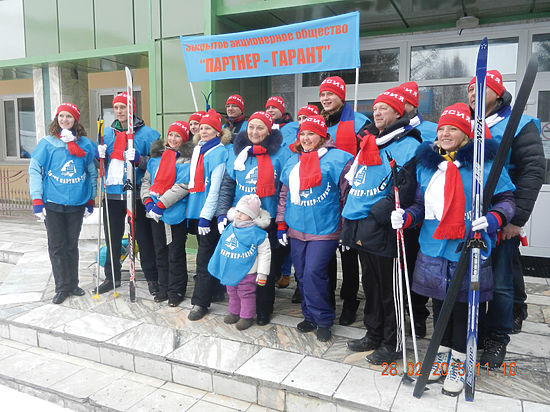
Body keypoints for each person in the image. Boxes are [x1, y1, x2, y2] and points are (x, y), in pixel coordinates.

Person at [392, 102, 516, 396]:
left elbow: (507, 200)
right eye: (442, 128)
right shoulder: (428, 168)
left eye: (453, 129)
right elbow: (422, 206)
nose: (446, 133)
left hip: (467, 248)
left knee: (463, 310)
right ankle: (441, 355)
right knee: (439, 306)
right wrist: (406, 216)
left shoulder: (483, 166)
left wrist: (494, 218)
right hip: (433, 247)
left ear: (465, 134)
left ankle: (459, 363)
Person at [467, 70, 544, 368]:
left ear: (498, 94)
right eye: (470, 89)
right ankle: (473, 330)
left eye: (481, 88)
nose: (473, 93)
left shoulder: (519, 124)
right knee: (473, 280)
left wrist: (517, 219)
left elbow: (532, 173)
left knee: (500, 282)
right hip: (468, 219)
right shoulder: (465, 124)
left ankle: (496, 338)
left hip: (502, 216)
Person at [341, 88, 421, 362]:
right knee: (371, 284)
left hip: (383, 226)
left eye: (384, 108)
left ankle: (393, 342)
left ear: (399, 112)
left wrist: (378, 213)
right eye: (375, 108)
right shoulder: (372, 142)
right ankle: (373, 333)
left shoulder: (408, 144)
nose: (377, 113)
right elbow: (358, 181)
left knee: (390, 290)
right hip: (362, 224)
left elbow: (405, 186)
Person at [277, 115, 353, 342]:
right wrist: (281, 223)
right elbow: (284, 195)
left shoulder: (339, 159)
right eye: (303, 134)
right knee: (300, 274)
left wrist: (346, 227)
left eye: (311, 133)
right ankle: (309, 314)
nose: (306, 138)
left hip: (325, 228)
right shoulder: (293, 161)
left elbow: (347, 195)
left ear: (322, 136)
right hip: (296, 227)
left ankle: (323, 319)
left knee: (313, 273)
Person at [216, 111, 289, 325]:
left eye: (260, 128)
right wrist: (222, 212)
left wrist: (282, 221)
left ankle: (264, 309)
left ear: (269, 130)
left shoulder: (280, 154)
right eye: (251, 127)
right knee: (241, 266)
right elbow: (228, 185)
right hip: (241, 221)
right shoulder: (239, 153)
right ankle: (239, 309)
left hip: (268, 221)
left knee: (264, 268)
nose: (255, 132)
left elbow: (285, 189)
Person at [29, 103, 97, 304]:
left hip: (76, 203)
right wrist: (37, 200)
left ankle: (73, 283)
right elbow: (34, 170)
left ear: (75, 120)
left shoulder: (85, 144)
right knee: (57, 246)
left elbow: (92, 172)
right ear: (56, 119)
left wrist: (91, 199)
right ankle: (61, 287)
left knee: (71, 245)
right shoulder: (47, 143)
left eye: (69, 116)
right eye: (61, 116)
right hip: (53, 203)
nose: (64, 120)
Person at [95, 92, 160, 295]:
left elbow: (158, 164)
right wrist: (99, 158)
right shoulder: (106, 134)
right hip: (112, 194)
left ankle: (152, 278)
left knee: (143, 238)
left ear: (131, 108)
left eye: (124, 107)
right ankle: (111, 277)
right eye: (117, 107)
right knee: (112, 238)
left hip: (137, 193)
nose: (120, 111)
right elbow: (99, 165)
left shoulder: (149, 134)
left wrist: (140, 159)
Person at [318, 76, 370, 326]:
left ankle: (350, 301)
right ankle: (326, 300)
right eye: (323, 95)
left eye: (331, 94)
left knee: (349, 253)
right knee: (325, 252)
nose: (326, 99)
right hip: (321, 199)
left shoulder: (360, 123)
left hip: (350, 198)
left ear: (342, 96)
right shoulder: (318, 124)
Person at [141, 121, 194, 307]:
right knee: (160, 252)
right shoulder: (156, 159)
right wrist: (148, 202)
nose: (173, 139)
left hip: (174, 214)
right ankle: (163, 287)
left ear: (184, 139)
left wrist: (161, 205)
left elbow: (182, 186)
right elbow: (146, 181)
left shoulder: (186, 161)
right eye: (170, 134)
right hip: (155, 214)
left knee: (175, 253)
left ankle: (176, 290)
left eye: (177, 135)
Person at [187, 109, 232, 321]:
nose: (204, 131)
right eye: (202, 127)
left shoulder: (220, 153)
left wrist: (206, 215)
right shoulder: (200, 150)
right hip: (200, 210)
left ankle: (200, 302)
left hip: (211, 213)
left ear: (218, 131)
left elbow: (215, 188)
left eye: (209, 128)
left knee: (204, 258)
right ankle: (215, 291)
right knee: (209, 254)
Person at [209, 194, 271, 330]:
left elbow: (265, 254)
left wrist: (262, 273)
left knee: (246, 293)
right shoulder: (230, 227)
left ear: (252, 216)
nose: (239, 215)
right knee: (231, 291)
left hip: (248, 271)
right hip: (231, 269)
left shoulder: (258, 233)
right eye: (238, 211)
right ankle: (234, 312)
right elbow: (222, 246)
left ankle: (246, 316)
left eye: (243, 213)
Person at [276, 104, 320, 293]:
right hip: (293, 210)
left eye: (306, 118)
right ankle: (292, 281)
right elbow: (284, 186)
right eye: (300, 118)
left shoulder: (327, 153)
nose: (302, 122)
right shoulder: (292, 151)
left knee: (313, 267)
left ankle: (307, 294)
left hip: (318, 217)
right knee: (294, 256)